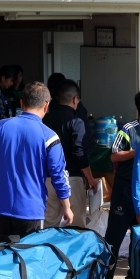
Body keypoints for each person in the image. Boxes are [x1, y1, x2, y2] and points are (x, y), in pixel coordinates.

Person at [0, 81, 72, 241]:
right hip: (31, 210)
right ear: (46, 106)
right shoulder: (49, 136)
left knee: (1, 255)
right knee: (29, 255)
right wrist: (66, 206)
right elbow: (59, 175)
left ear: (21, 103)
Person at [104, 89, 140, 279]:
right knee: (116, 233)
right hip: (125, 187)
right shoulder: (129, 128)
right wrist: (138, 151)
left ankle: (135, 273)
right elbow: (113, 155)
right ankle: (105, 276)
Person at [43, 79, 98, 228]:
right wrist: (90, 178)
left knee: (49, 225)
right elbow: (79, 152)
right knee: (76, 225)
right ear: (75, 99)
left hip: (48, 179)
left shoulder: (45, 120)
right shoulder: (76, 121)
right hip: (71, 179)